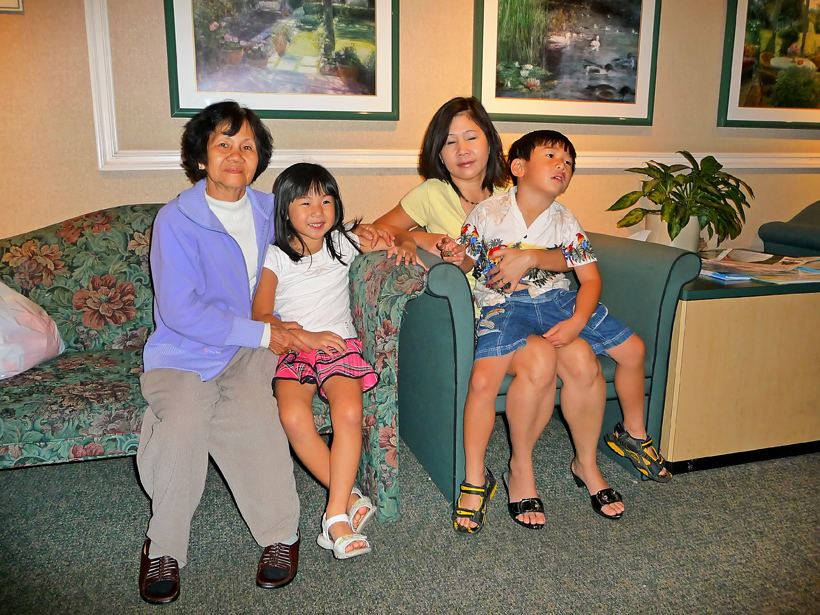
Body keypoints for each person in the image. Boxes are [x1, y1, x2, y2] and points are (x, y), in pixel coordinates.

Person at [375, 97, 608, 532]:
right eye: (449, 142)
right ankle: (490, 475)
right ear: (437, 152)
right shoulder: (431, 193)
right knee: (535, 362)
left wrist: (532, 258)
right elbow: (375, 231)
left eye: (472, 137)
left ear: (491, 144)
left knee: (566, 360)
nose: (462, 149)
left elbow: (571, 253)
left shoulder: (516, 191)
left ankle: (541, 466)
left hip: (532, 306)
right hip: (469, 314)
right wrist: (424, 240)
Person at [136, 101, 310, 604]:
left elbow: (319, 239)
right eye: (224, 144)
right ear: (201, 157)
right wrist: (261, 334)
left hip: (247, 352)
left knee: (255, 413)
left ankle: (282, 535)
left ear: (259, 158)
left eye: (248, 146)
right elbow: (178, 309)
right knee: (187, 416)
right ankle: (163, 545)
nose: (236, 154)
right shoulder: (176, 220)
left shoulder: (270, 210)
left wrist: (371, 235)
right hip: (182, 351)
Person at [443, 129, 643, 521]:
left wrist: (576, 323)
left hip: (556, 302)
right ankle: (475, 478)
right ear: (518, 167)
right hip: (503, 303)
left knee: (618, 353)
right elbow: (468, 260)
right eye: (551, 156)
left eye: (568, 162)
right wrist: (456, 256)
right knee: (483, 381)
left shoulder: (565, 221)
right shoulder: (488, 212)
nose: (562, 165)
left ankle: (599, 457)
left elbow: (590, 279)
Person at [252, 163, 418, 559]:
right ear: (285, 209)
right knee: (293, 417)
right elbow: (260, 315)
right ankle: (350, 496)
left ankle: (334, 517)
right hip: (294, 347)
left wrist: (406, 245)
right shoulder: (274, 256)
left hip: (340, 347)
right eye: (305, 201)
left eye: (326, 200)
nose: (317, 210)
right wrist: (302, 336)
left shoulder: (342, 243)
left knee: (349, 414)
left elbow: (398, 233)